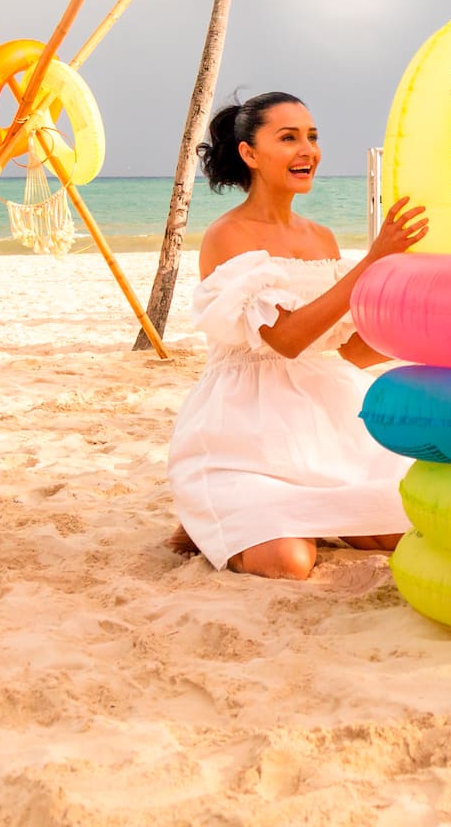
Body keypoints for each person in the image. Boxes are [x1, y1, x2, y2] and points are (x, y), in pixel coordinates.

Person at [167, 91, 429, 580]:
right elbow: (285, 340)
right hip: (246, 429)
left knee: (404, 530)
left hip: (325, 419)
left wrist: (411, 309)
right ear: (249, 153)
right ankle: (216, 516)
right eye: (288, 138)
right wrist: (372, 260)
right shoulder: (228, 234)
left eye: (312, 137)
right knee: (289, 564)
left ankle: (296, 516)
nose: (307, 150)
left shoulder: (321, 236)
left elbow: (348, 350)